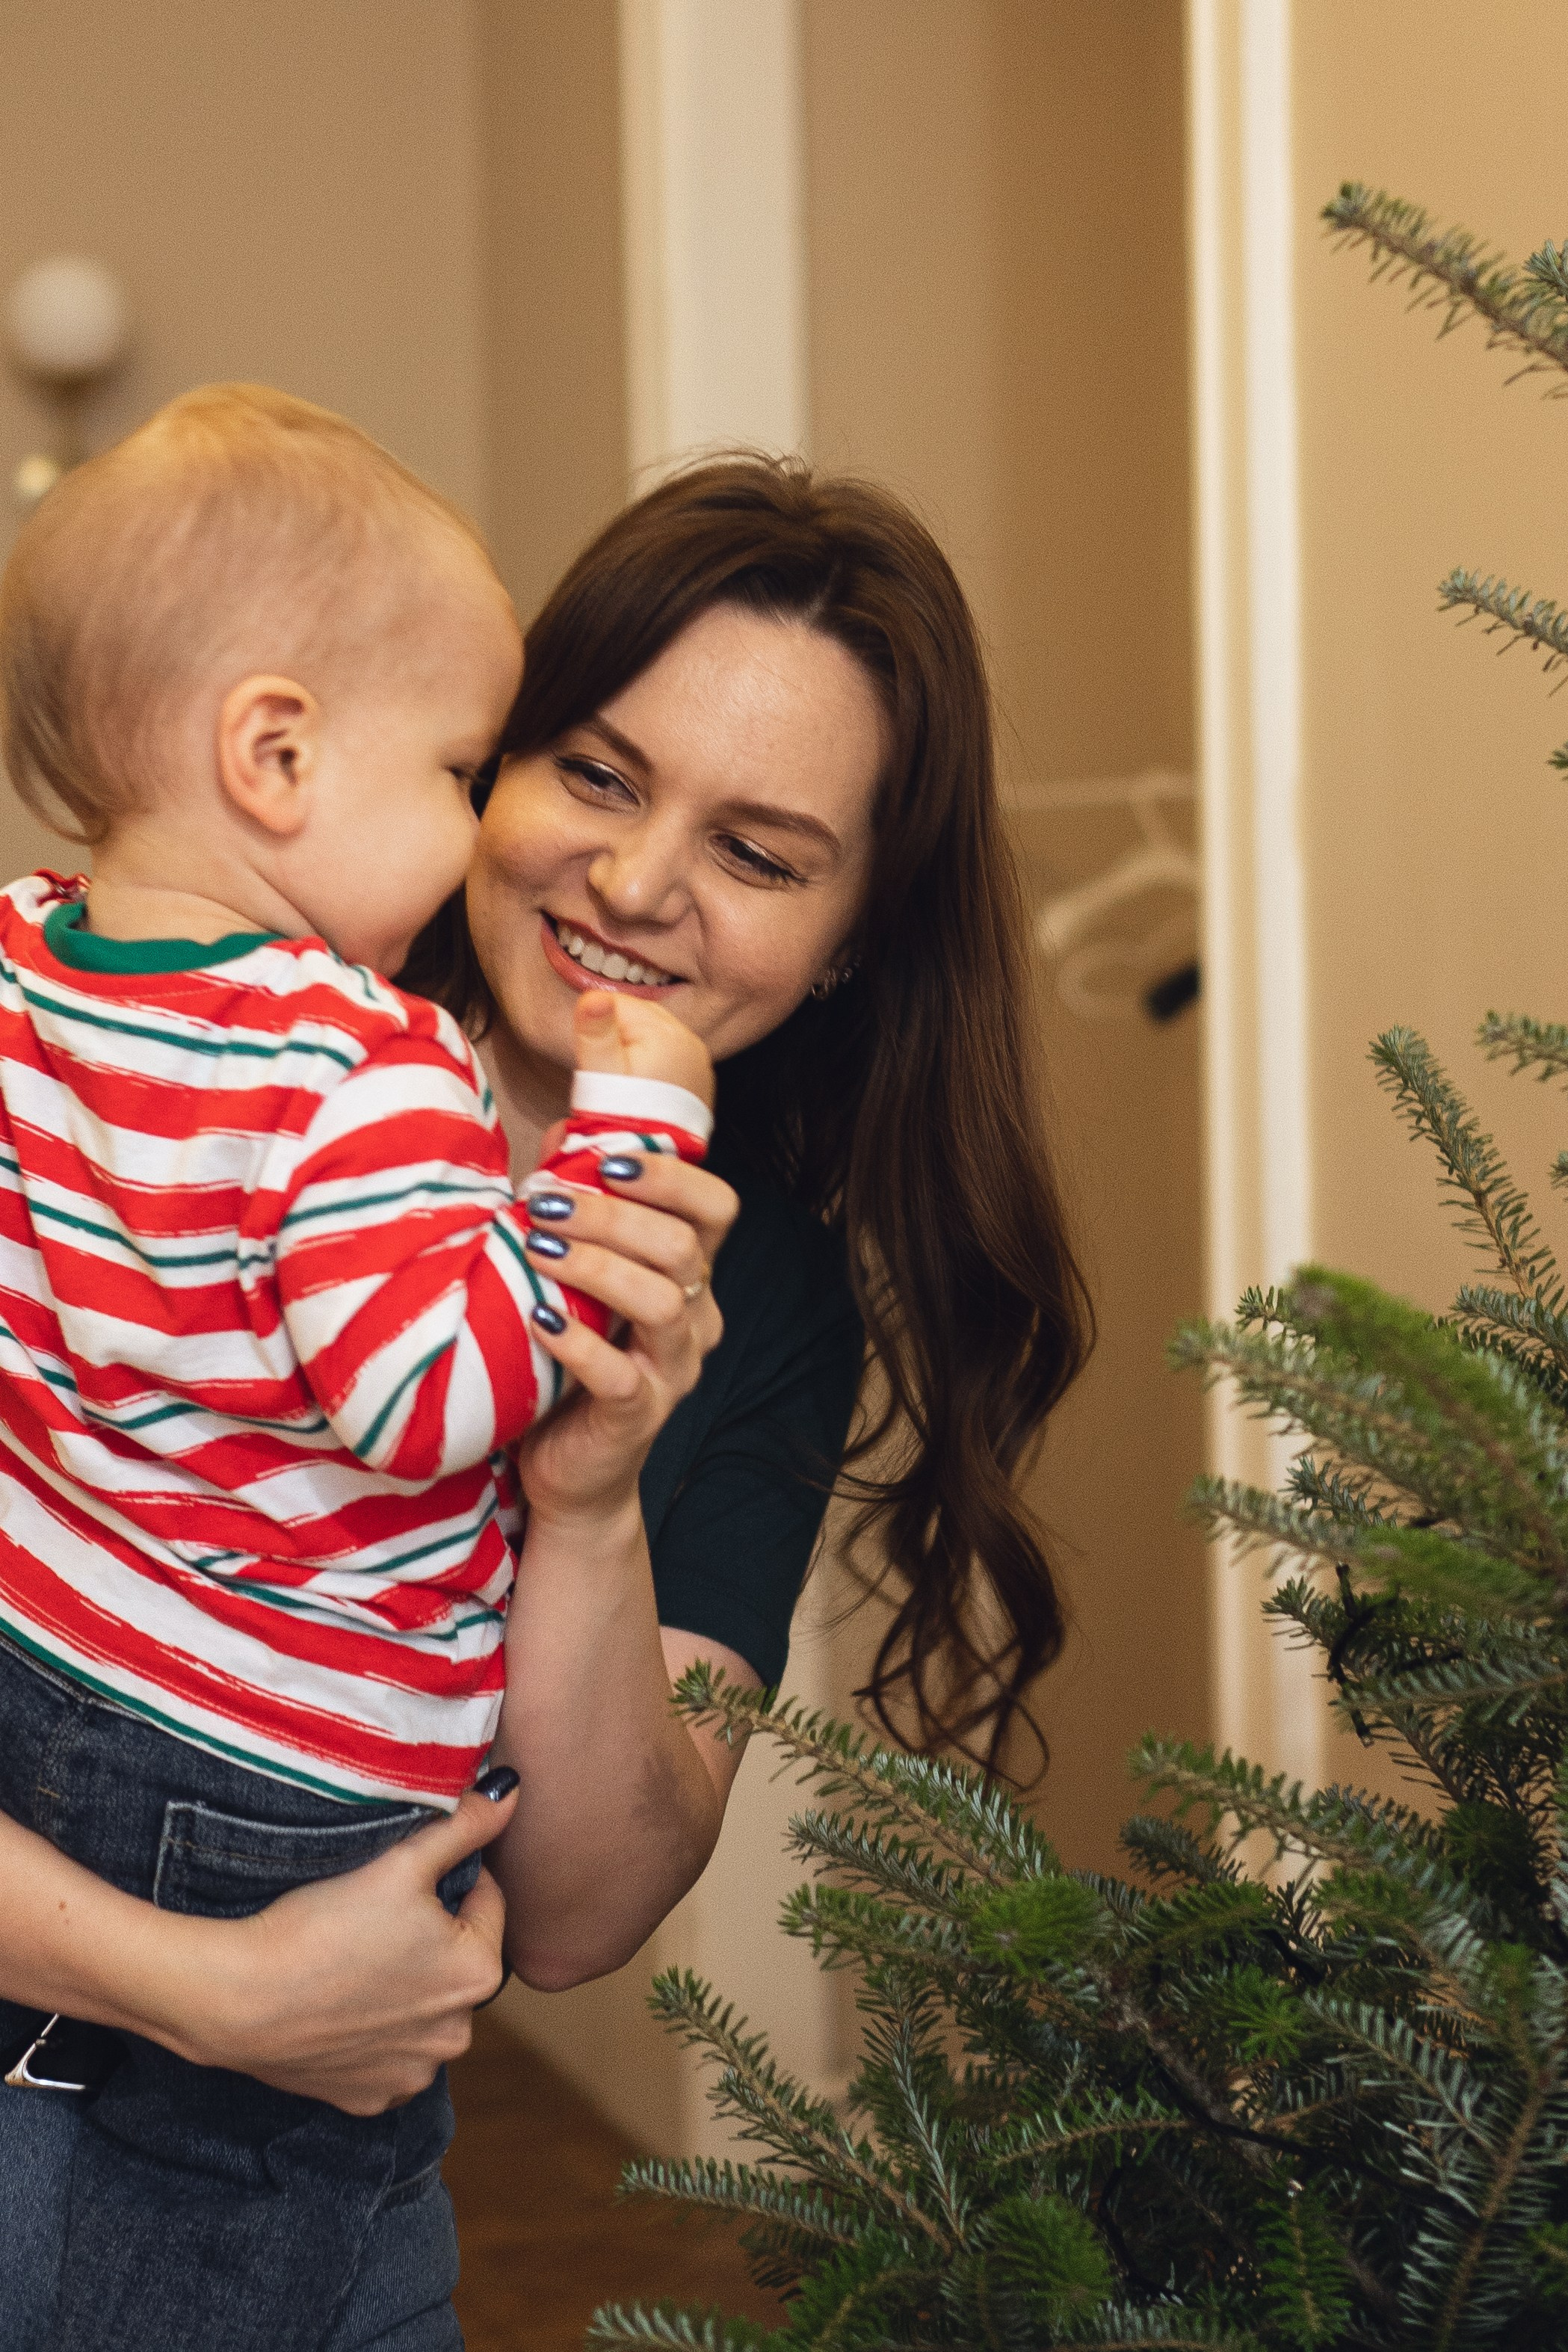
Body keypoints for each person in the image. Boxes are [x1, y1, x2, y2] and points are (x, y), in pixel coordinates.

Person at [1, 451, 1090, 2348]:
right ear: (484, 756)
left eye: (758, 855)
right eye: (592, 772)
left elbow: (578, 1917)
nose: (637, 885)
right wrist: (204, 1986)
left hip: (339, 2192)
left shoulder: (762, 1294)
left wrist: (585, 1495)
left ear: (845, 943)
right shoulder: (134, 1072)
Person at [0, 383, 717, 2352]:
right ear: (277, 752)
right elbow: (428, 1398)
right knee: (259, 2232)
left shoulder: (25, 971)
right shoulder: (364, 1059)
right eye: (464, 765)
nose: (481, 821)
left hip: (40, 1676)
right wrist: (623, 1138)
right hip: (277, 1774)